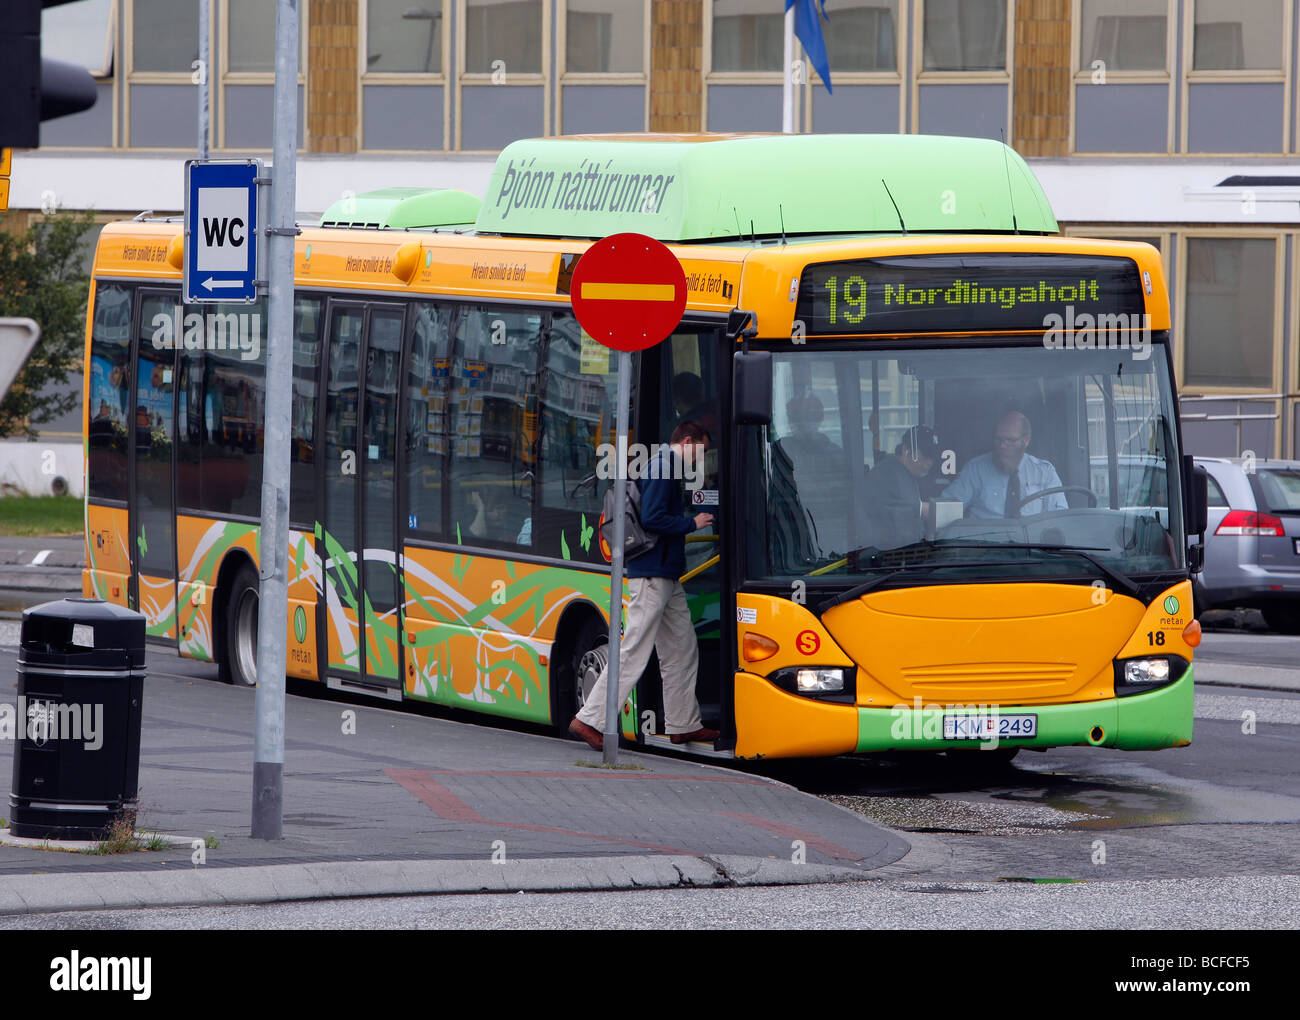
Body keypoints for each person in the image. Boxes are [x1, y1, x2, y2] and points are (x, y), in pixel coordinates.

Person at [570, 421, 718, 751]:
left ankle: (683, 724)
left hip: (663, 574)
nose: (702, 458)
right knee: (634, 650)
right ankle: (589, 719)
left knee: (682, 647)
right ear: (688, 441)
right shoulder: (665, 468)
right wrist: (692, 523)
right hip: (652, 574)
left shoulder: (663, 465)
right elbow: (652, 518)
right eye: (702, 451)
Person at [944, 410, 1068, 519]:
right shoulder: (975, 470)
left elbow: (1058, 519)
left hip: (1031, 544)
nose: (1002, 446)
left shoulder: (1045, 473)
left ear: (1026, 440)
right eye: (998, 439)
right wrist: (925, 509)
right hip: (984, 543)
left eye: (1010, 440)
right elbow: (946, 509)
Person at [774, 394, 849, 554]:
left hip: (829, 530)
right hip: (791, 527)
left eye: (810, 417)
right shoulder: (779, 452)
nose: (803, 423)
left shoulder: (835, 454)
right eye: (796, 417)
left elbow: (845, 497)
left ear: (820, 419)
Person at [860, 425, 940, 550]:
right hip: (889, 560)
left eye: (932, 457)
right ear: (905, 450)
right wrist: (920, 509)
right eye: (924, 455)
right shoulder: (885, 475)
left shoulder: (905, 473)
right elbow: (884, 514)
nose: (929, 462)